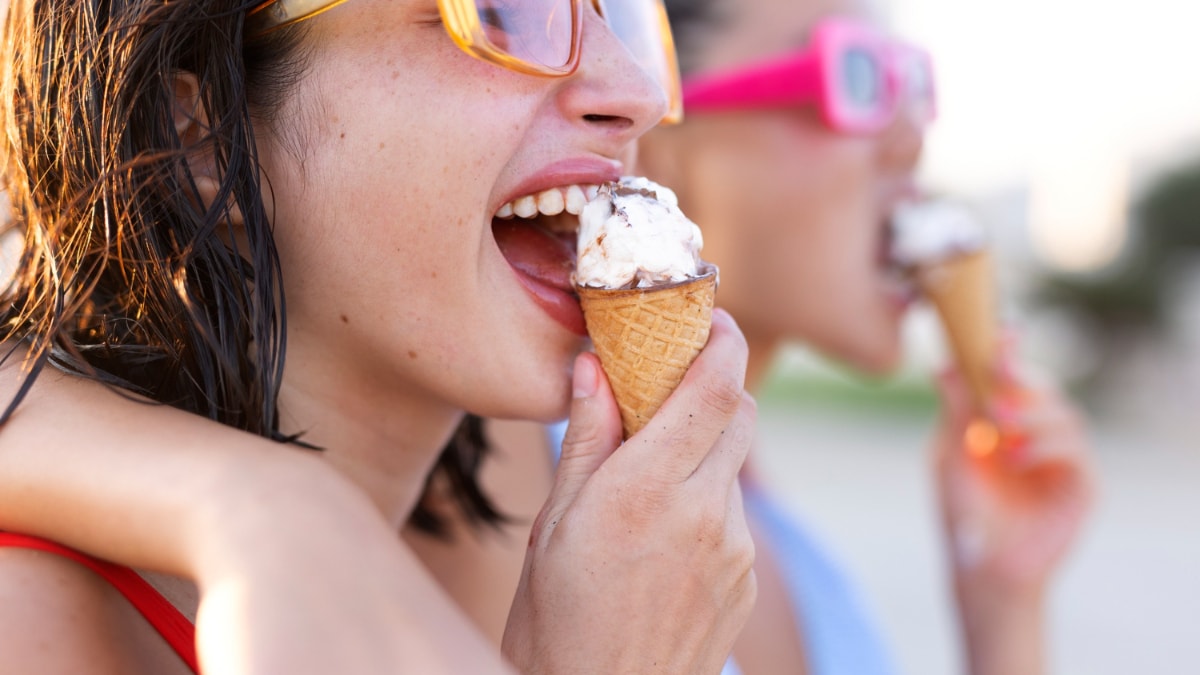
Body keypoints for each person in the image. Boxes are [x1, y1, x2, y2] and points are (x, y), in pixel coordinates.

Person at [0, 0, 759, 673]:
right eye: (505, 9)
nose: (640, 94)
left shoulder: (554, 536)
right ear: (196, 133)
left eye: (615, 10)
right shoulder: (28, 629)